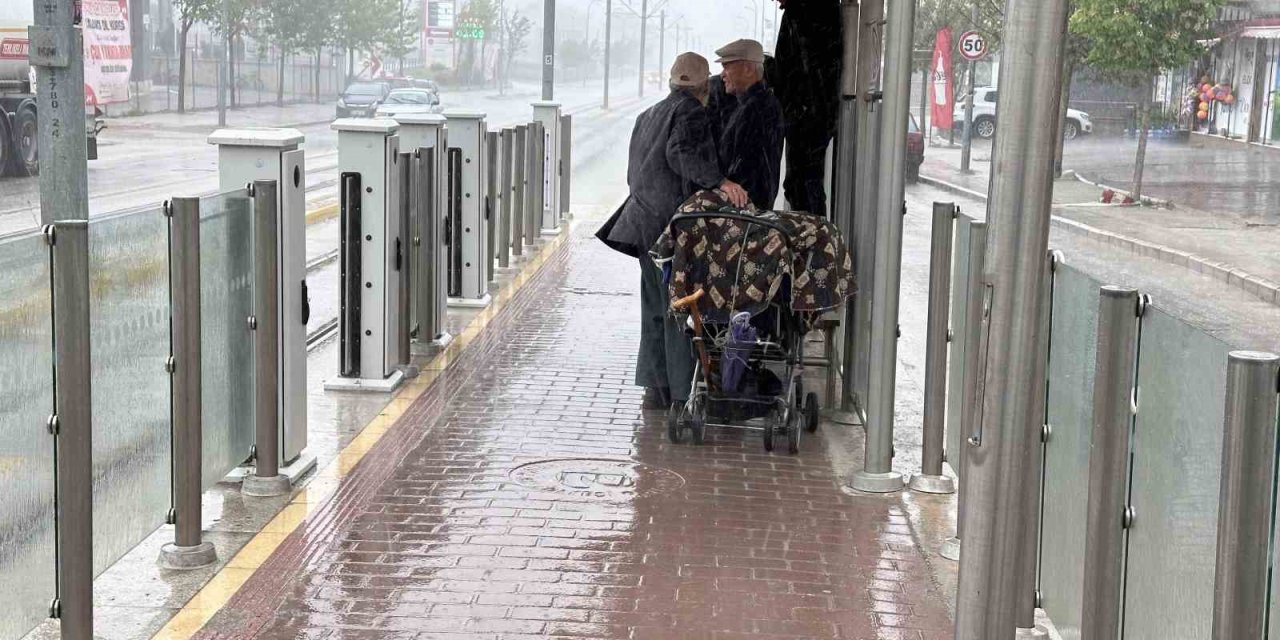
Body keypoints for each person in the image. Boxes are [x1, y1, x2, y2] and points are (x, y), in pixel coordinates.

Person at [596, 52, 750, 410]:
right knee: (680, 309)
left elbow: (634, 171)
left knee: (654, 307)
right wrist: (721, 182)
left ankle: (656, 387)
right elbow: (680, 153)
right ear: (703, 85)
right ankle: (682, 394)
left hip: (641, 224)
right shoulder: (691, 112)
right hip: (670, 229)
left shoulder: (648, 115)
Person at [770, 0, 842, 217]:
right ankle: (812, 231)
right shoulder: (807, 10)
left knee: (803, 185)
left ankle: (812, 233)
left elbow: (802, 67)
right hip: (810, 114)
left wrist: (797, 109)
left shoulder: (805, 13)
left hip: (807, 117)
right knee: (801, 184)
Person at [714, 39, 785, 210]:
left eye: (726, 67)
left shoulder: (756, 109)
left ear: (748, 69)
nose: (722, 75)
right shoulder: (755, 104)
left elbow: (744, 168)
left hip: (742, 208)